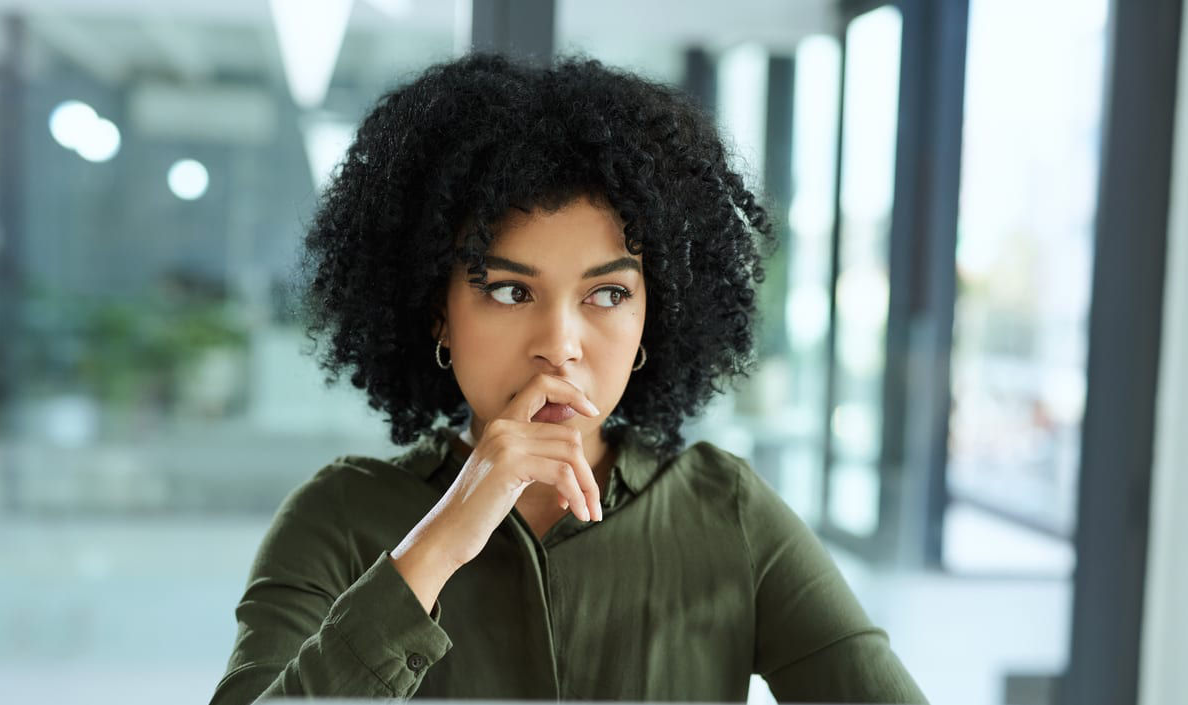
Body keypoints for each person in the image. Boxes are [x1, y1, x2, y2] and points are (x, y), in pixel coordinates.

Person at [209, 52, 927, 704]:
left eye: (608, 294)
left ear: (653, 316)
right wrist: (440, 543)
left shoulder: (727, 512)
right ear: (438, 313)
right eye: (510, 291)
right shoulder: (337, 516)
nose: (559, 346)